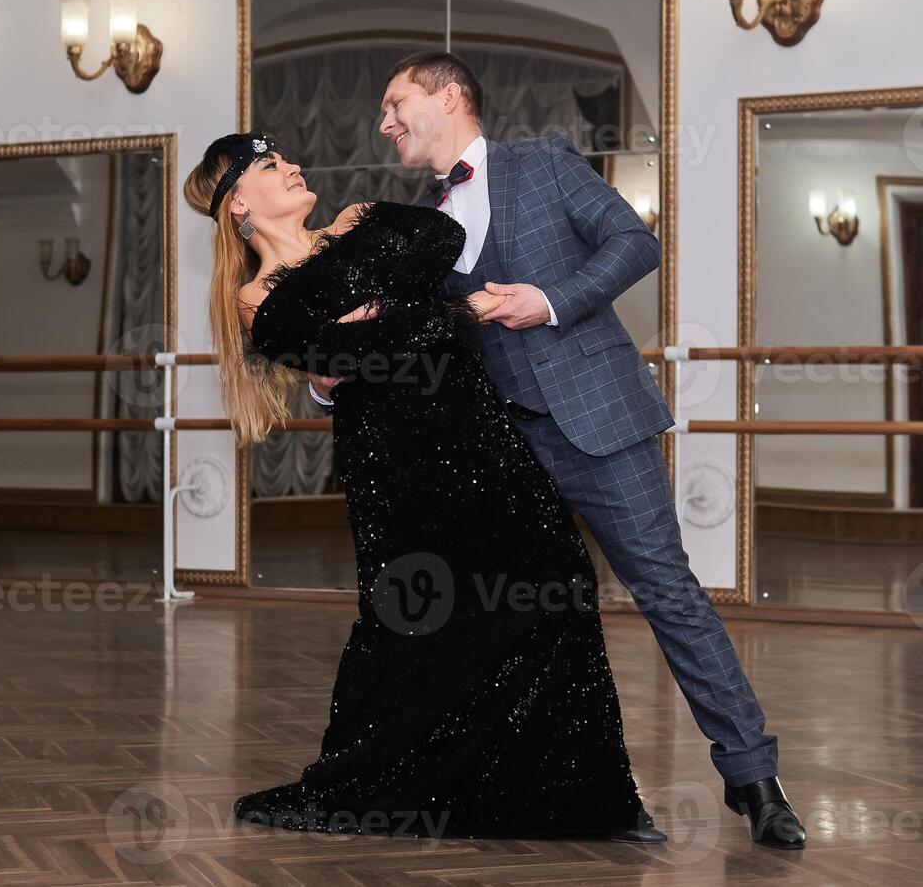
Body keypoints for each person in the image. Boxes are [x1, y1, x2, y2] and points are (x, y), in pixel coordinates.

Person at [310, 51, 806, 850]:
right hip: (492, 448)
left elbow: (633, 243)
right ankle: (517, 784)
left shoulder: (542, 161)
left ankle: (754, 778)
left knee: (667, 592)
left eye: (395, 101)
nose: (384, 121)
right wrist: (329, 377)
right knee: (503, 617)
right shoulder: (417, 221)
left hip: (596, 422)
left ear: (448, 96)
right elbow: (407, 340)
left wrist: (548, 301)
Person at [184, 131, 665, 842]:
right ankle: (400, 786)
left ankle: (587, 799)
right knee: (417, 620)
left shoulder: (356, 220)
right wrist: (424, 316)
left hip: (480, 435)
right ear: (237, 207)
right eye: (268, 165)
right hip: (396, 469)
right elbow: (341, 352)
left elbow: (440, 240)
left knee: (556, 580)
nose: (290, 165)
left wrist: (385, 320)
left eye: (287, 155)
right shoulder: (255, 299)